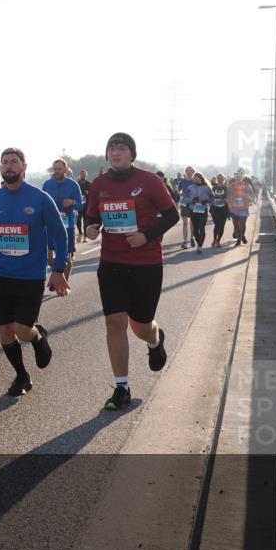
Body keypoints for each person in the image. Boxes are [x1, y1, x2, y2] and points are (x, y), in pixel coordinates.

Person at [83, 133, 179, 411]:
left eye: (122, 148)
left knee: (141, 327)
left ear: (131, 154)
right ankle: (121, 387)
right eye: (111, 148)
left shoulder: (149, 181)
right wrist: (90, 228)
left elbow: (172, 215)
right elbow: (92, 216)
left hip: (146, 263)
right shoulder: (99, 184)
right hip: (111, 262)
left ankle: (155, 339)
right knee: (115, 323)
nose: (115, 152)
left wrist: (146, 236)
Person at [0, 148, 69, 397]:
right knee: (5, 330)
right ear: (0, 168)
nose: (8, 166)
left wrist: (58, 269)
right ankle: (22, 376)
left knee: (22, 330)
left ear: (24, 167)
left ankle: (37, 337)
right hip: (2, 275)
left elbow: (60, 235)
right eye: (4, 162)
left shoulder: (40, 198)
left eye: (14, 162)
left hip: (31, 276)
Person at [41, 159, 82, 286]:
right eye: (55, 169)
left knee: (66, 256)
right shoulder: (47, 184)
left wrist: (72, 202)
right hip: (50, 225)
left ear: (66, 169)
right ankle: (58, 275)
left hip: (67, 225)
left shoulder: (73, 185)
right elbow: (41, 203)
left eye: (59, 169)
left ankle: (63, 283)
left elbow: (80, 205)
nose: (57, 171)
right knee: (49, 257)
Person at [181, 172, 214, 253]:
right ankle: (199, 244)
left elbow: (212, 198)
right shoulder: (190, 187)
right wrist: (192, 200)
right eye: (194, 178)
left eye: (196, 177)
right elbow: (185, 198)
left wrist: (206, 201)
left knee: (202, 228)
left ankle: (200, 246)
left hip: (203, 210)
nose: (194, 179)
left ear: (200, 178)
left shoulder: (207, 188)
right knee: (195, 229)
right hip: (193, 210)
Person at [228, 170, 256, 246]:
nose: (238, 178)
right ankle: (240, 235)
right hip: (234, 208)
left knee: (242, 224)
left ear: (242, 177)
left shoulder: (247, 186)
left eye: (239, 177)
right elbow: (228, 196)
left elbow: (252, 198)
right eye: (236, 177)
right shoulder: (231, 186)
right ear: (234, 177)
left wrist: (246, 195)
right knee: (236, 225)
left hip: (244, 208)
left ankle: (240, 238)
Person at [177, 166, 196, 249]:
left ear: (193, 172)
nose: (189, 172)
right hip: (184, 203)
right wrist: (180, 193)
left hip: (193, 204)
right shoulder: (182, 181)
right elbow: (178, 190)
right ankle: (185, 242)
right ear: (185, 172)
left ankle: (192, 238)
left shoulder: (195, 181)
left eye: (190, 171)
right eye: (187, 170)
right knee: (185, 223)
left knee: (192, 223)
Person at [209, 173, 230, 247]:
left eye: (221, 178)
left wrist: (225, 199)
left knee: (222, 225)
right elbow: (210, 197)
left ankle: (218, 241)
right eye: (218, 178)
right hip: (215, 209)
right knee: (217, 224)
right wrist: (212, 202)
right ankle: (214, 239)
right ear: (216, 179)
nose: (220, 179)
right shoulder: (213, 188)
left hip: (224, 209)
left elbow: (229, 197)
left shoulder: (226, 188)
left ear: (223, 179)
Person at [76, 170, 92, 242]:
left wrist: (88, 193)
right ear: (80, 175)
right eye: (82, 174)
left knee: (86, 221)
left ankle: (85, 236)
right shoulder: (77, 184)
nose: (83, 176)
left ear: (86, 175)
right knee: (78, 220)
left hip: (87, 205)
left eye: (84, 174)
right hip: (79, 205)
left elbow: (92, 195)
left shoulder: (89, 184)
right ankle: (80, 233)